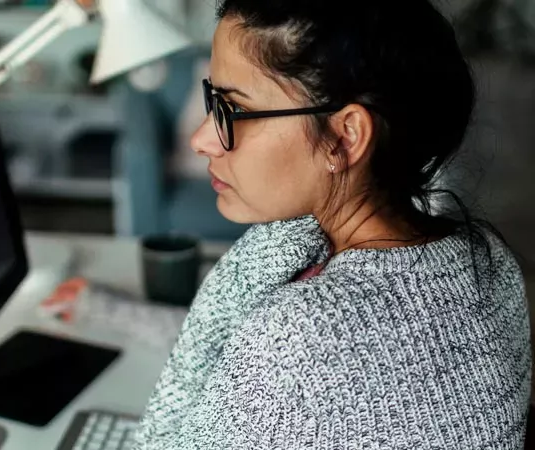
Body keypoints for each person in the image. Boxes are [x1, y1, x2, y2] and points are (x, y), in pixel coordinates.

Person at [132, 0, 532, 448]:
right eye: (212, 99)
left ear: (345, 136)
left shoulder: (296, 336)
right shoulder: (491, 262)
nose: (201, 139)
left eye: (231, 108)